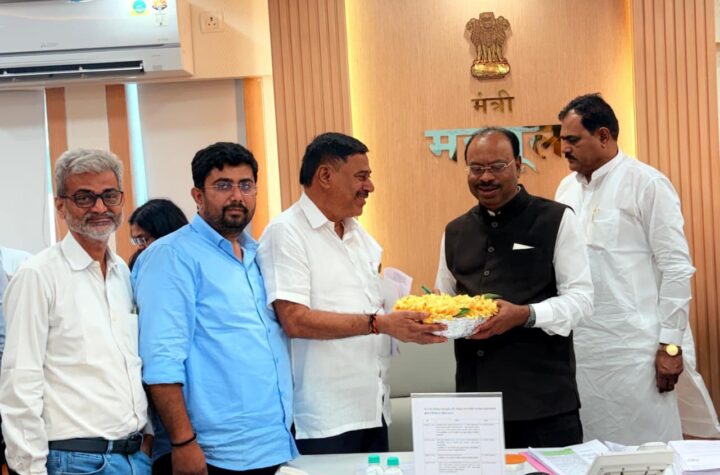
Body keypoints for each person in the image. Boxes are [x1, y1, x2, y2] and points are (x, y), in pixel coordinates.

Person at [256, 132, 447, 455]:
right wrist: (379, 324)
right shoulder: (286, 232)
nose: (369, 186)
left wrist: (414, 317)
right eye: (361, 176)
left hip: (373, 406)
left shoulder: (360, 235)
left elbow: (370, 306)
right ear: (325, 176)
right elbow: (295, 320)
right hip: (324, 418)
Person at [133, 142, 297, 475]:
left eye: (246, 185)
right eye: (223, 186)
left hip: (270, 445)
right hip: (211, 454)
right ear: (197, 195)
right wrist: (183, 442)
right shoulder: (172, 256)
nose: (237, 196)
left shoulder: (257, 255)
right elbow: (161, 360)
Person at [434, 127, 594, 448]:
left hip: (544, 405)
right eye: (476, 168)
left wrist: (525, 315)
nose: (486, 177)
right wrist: (430, 317)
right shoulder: (455, 231)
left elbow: (581, 300)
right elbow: (444, 299)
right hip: (475, 403)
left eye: (497, 166)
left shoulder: (556, 219)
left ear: (518, 165)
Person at [555, 93, 698, 444]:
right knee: (587, 448)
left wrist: (671, 345)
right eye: (562, 140)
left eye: (573, 140)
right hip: (584, 350)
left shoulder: (647, 183)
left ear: (603, 136)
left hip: (637, 351)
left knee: (647, 449)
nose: (564, 149)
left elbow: (676, 267)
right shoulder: (565, 190)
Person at [0, 149, 152, 475]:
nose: (99, 207)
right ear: (60, 206)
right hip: (75, 462)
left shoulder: (122, 274)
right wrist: (29, 469)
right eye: (84, 197)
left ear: (122, 199)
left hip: (133, 458)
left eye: (109, 195)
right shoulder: (37, 276)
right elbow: (19, 381)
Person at [128, 198, 188, 269]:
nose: (139, 247)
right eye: (136, 241)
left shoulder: (192, 260)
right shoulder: (138, 264)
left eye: (143, 239)